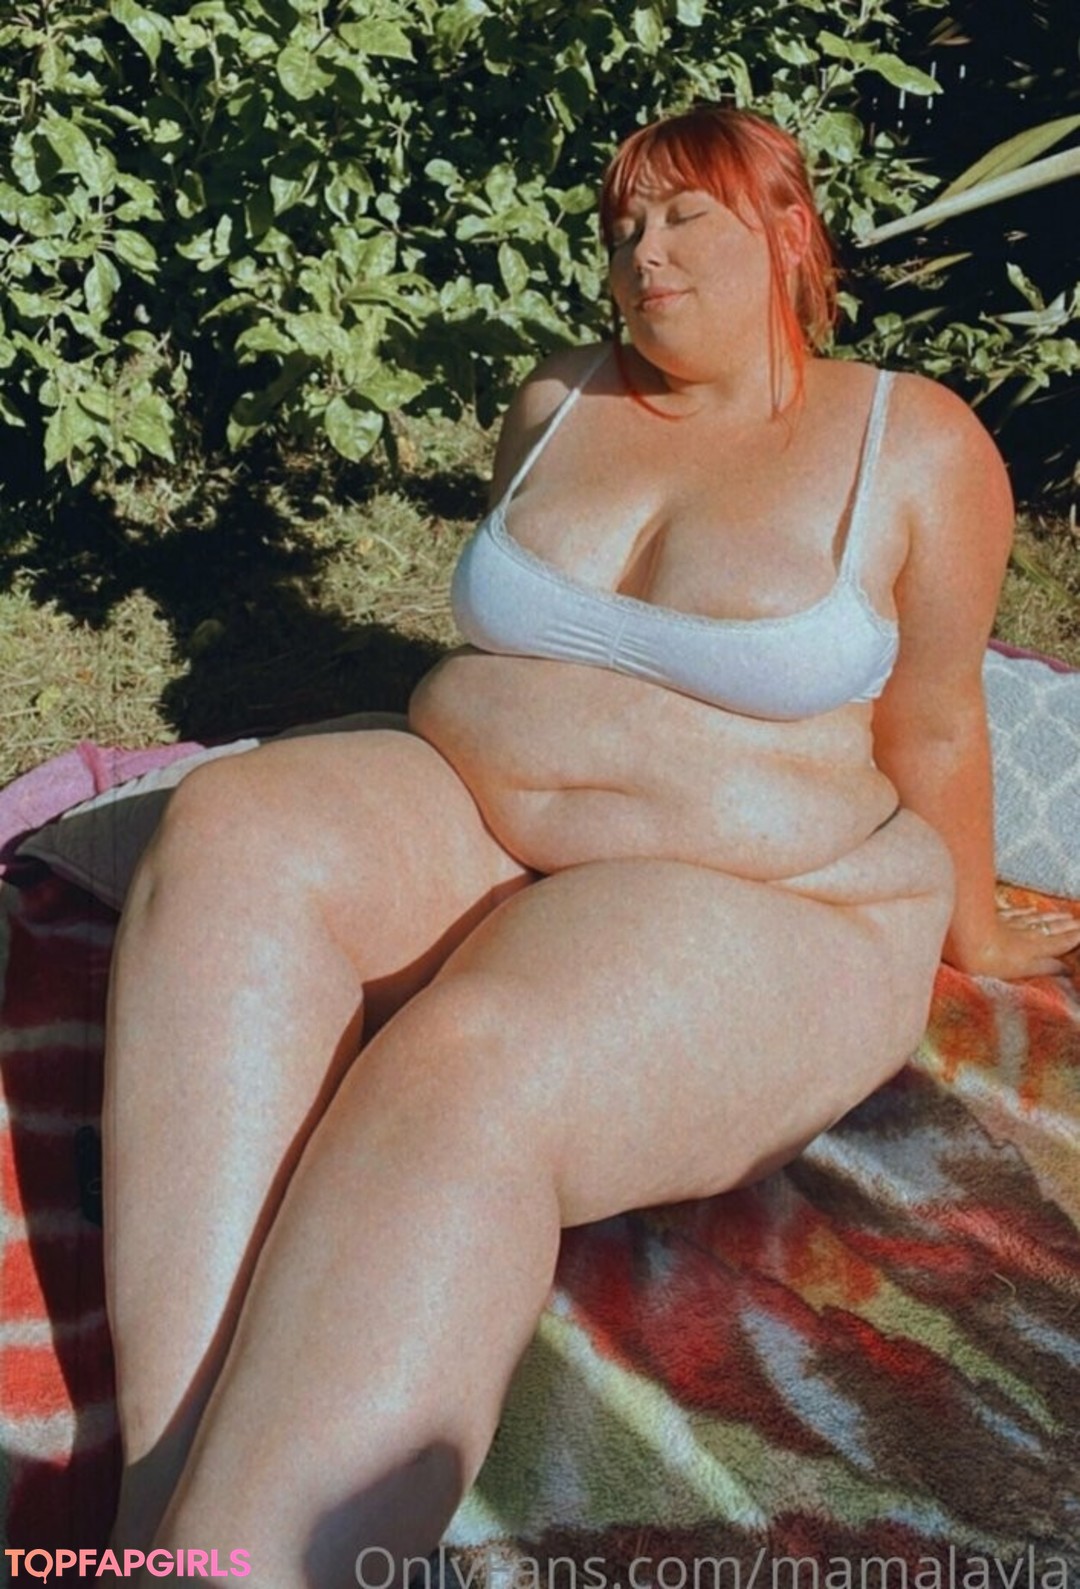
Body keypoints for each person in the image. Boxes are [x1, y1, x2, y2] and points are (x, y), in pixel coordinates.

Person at [102, 105, 1080, 1585]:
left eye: (686, 217)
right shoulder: (558, 394)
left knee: (471, 1057)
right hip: (484, 815)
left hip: (770, 893)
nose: (643, 253)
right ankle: (159, 1508)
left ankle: (243, 1568)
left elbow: (935, 726)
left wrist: (982, 930)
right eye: (623, 225)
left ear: (789, 233)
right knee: (231, 832)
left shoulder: (916, 439)